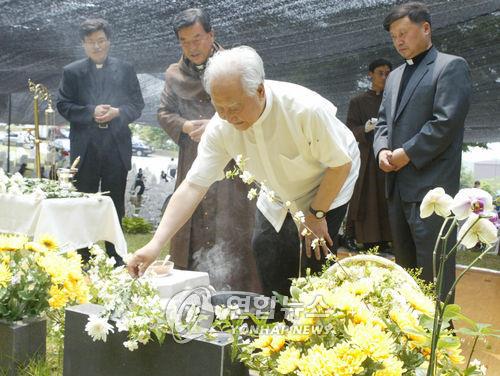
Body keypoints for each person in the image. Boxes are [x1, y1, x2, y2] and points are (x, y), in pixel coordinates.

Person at [129, 46, 360, 298]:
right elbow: (193, 186)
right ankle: (276, 326)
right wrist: (155, 244)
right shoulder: (222, 127)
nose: (227, 116)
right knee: (265, 247)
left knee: (312, 257)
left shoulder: (304, 111)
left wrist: (316, 214)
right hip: (277, 190)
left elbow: (340, 164)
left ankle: (315, 322)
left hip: (328, 181)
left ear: (259, 90)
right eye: (219, 108)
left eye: (234, 106)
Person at [373, 2, 472, 300]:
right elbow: (381, 124)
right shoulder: (393, 77)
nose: (399, 41)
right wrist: (382, 150)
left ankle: (440, 341)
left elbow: (445, 123)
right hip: (397, 189)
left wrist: (406, 153)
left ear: (425, 28)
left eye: (404, 33)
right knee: (405, 275)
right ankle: (409, 339)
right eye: (393, 37)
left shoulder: (450, 66)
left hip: (432, 192)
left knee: (434, 273)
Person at [156, 9, 260, 291]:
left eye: (197, 38)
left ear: (211, 35)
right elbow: (164, 113)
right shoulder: (174, 74)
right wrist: (187, 125)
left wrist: (216, 123)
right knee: (191, 214)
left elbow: (254, 102)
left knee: (233, 223)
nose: (192, 46)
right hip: (194, 155)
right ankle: (191, 292)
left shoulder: (235, 65)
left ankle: (238, 292)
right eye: (185, 41)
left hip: (232, 157)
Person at [57, 18, 145, 264]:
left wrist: (117, 112)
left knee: (114, 201)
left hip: (116, 146)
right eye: (90, 42)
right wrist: (91, 111)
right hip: (85, 148)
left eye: (100, 41)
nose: (96, 46)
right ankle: (82, 255)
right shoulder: (72, 72)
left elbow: (137, 105)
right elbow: (63, 104)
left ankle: (115, 256)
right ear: (83, 45)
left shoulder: (125, 69)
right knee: (83, 200)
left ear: (109, 41)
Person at [345, 58, 393, 254]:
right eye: (380, 72)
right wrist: (364, 128)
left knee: (385, 197)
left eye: (388, 73)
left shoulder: (392, 100)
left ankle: (386, 239)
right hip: (366, 158)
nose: (384, 76)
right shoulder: (358, 101)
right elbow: (349, 129)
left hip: (388, 157)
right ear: (370, 75)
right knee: (363, 197)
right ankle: (356, 236)